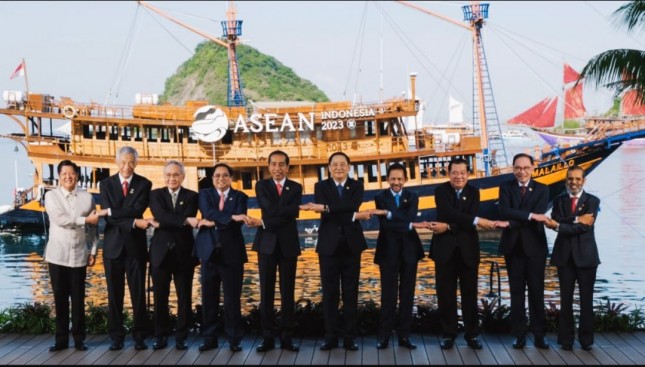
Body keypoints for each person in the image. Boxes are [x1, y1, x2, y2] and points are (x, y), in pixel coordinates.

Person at [300, 152, 371, 351]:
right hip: (328, 246)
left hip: (352, 245)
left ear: (349, 166)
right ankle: (330, 337)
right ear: (329, 167)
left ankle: (349, 338)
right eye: (334, 164)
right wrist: (354, 216)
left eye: (342, 164)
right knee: (330, 293)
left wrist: (326, 208)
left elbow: (351, 205)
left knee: (351, 292)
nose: (338, 167)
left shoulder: (357, 185)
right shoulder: (320, 186)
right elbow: (347, 211)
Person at [428, 158, 496, 350]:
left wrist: (449, 226)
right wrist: (476, 220)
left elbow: (461, 220)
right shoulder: (440, 191)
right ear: (448, 173)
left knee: (470, 294)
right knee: (445, 294)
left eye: (462, 173)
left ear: (468, 173)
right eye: (454, 173)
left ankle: (472, 334)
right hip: (444, 251)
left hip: (467, 250)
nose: (458, 177)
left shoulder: (474, 192)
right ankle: (448, 334)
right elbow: (448, 213)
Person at [97, 146, 153, 351]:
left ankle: (140, 336)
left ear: (136, 163)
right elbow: (118, 217)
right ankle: (116, 337)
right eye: (123, 162)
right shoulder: (105, 184)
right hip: (112, 249)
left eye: (131, 162)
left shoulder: (144, 184)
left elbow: (136, 209)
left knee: (138, 294)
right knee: (114, 295)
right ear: (116, 162)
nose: (127, 166)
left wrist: (111, 210)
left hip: (135, 248)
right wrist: (131, 221)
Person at [44, 160, 100, 352]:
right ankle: (60, 341)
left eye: (72, 173)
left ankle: (79, 339)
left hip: (79, 254)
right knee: (60, 299)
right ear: (59, 177)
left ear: (77, 175)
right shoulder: (51, 196)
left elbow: (93, 227)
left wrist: (93, 250)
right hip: (57, 255)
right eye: (64, 173)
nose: (68, 176)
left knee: (78, 299)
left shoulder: (87, 197)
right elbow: (60, 220)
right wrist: (85, 219)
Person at [496, 153, 550, 350]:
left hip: (535, 248)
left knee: (537, 293)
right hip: (513, 248)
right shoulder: (505, 187)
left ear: (533, 168)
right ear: (513, 169)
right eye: (518, 168)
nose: (522, 171)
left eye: (526, 167)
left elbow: (540, 212)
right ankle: (518, 335)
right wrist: (530, 215)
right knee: (516, 294)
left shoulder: (543, 189)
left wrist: (511, 222)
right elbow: (503, 210)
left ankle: (539, 335)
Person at [250, 150, 302, 353]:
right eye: (273, 164)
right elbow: (273, 210)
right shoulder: (261, 185)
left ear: (287, 167)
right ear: (268, 166)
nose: (277, 168)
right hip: (266, 245)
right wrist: (284, 212)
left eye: (282, 164)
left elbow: (292, 212)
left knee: (288, 292)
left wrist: (263, 222)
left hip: (288, 245)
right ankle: (268, 338)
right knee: (266, 292)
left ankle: (287, 338)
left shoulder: (296, 187)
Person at [194, 163, 249, 353]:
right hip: (208, 253)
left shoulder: (241, 196)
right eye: (217, 176)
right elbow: (207, 212)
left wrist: (217, 221)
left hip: (232, 254)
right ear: (212, 178)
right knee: (209, 298)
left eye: (225, 175)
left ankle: (234, 339)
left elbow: (238, 221)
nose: (221, 179)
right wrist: (231, 217)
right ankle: (210, 338)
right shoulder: (205, 194)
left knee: (232, 299)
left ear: (231, 178)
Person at [544, 165, 599, 351]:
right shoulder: (559, 200)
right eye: (570, 179)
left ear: (584, 180)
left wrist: (560, 226)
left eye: (577, 179)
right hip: (564, 257)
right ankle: (566, 340)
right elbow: (555, 220)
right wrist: (575, 219)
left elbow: (585, 227)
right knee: (565, 301)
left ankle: (586, 340)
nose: (573, 182)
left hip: (587, 257)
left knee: (586, 300)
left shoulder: (593, 201)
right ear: (566, 180)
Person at [370, 163, 425, 350]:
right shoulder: (379, 197)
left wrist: (388, 213)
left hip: (410, 252)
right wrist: (407, 224)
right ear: (388, 179)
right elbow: (386, 225)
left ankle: (404, 336)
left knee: (407, 295)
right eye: (393, 178)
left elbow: (407, 218)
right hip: (388, 252)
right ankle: (384, 335)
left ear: (405, 180)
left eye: (400, 179)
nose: (396, 182)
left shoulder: (413, 196)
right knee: (388, 295)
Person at [148, 160, 200, 351]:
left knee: (184, 296)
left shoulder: (192, 196)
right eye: (168, 175)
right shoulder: (155, 194)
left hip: (184, 252)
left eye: (176, 174)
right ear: (164, 176)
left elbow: (163, 219)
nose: (172, 178)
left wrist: (163, 222)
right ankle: (160, 336)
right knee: (160, 297)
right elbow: (159, 214)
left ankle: (181, 336)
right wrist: (185, 220)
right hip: (160, 253)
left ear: (183, 176)